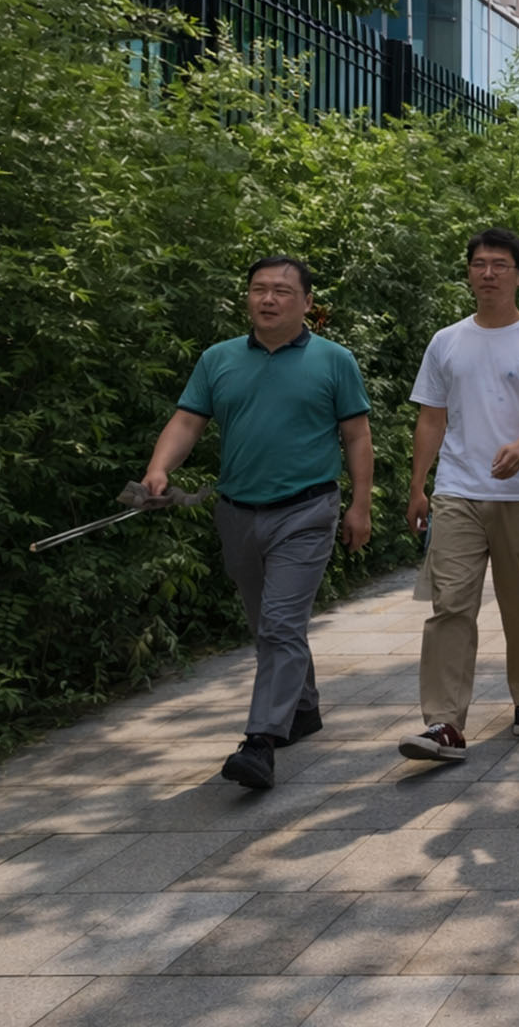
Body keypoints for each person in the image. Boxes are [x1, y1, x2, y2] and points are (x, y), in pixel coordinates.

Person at [142, 255, 373, 789]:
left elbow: (357, 436)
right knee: (266, 622)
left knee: (280, 624)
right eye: (259, 290)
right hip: (237, 511)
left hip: (307, 508)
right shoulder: (218, 359)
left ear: (307, 303)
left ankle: (261, 742)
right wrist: (159, 468)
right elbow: (187, 421)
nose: (268, 299)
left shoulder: (334, 360)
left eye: (282, 291)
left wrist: (360, 506)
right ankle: (305, 708)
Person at [397, 229, 519, 763]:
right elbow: (430, 416)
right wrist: (418, 485)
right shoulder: (447, 341)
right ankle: (444, 721)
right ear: (468, 273)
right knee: (449, 605)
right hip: (457, 490)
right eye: (478, 264)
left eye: (499, 264)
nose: (488, 273)